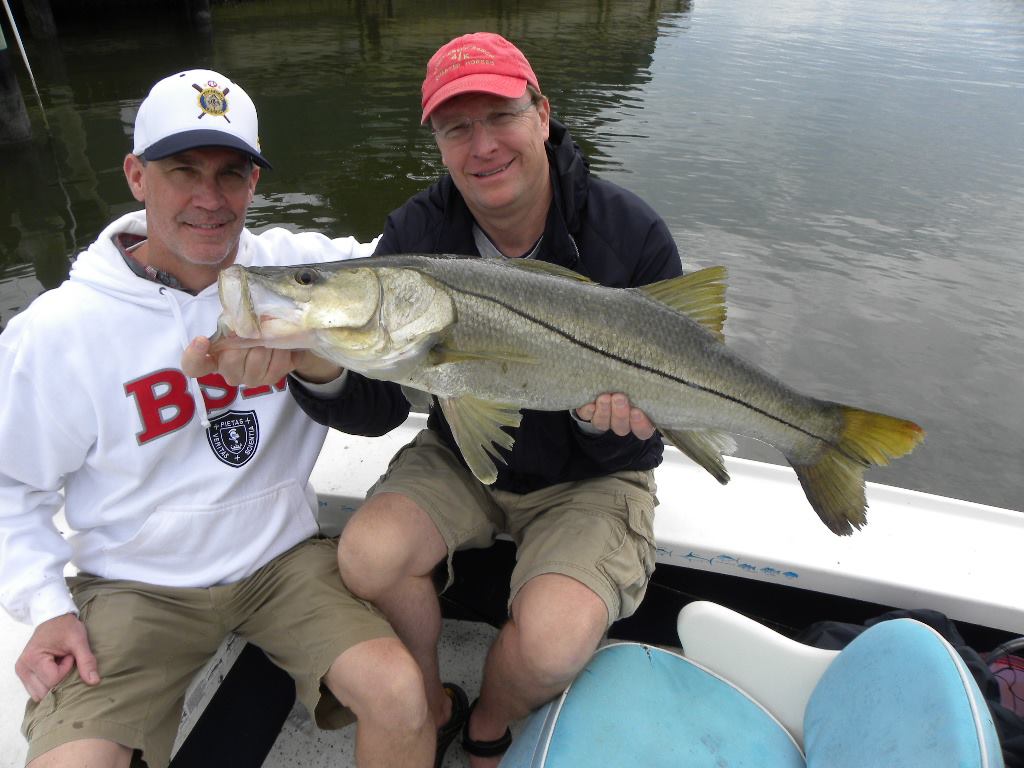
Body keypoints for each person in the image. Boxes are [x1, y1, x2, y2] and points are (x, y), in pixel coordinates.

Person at [0, 69, 434, 768]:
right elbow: (9, 488)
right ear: (137, 176)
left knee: (401, 697)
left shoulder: (301, 273)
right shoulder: (58, 332)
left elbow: (424, 264)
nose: (210, 199)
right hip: (135, 586)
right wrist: (45, 604)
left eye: (232, 174)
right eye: (183, 171)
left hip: (281, 565)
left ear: (255, 184)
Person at [279, 32, 685, 767]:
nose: (483, 145)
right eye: (456, 127)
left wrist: (607, 427)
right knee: (367, 556)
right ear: (437, 142)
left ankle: (491, 715)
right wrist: (317, 367)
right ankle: (429, 707)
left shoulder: (630, 233)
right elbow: (374, 409)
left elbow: (644, 443)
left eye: (499, 115)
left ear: (542, 115)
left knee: (555, 641)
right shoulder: (414, 236)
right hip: (462, 450)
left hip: (590, 477)